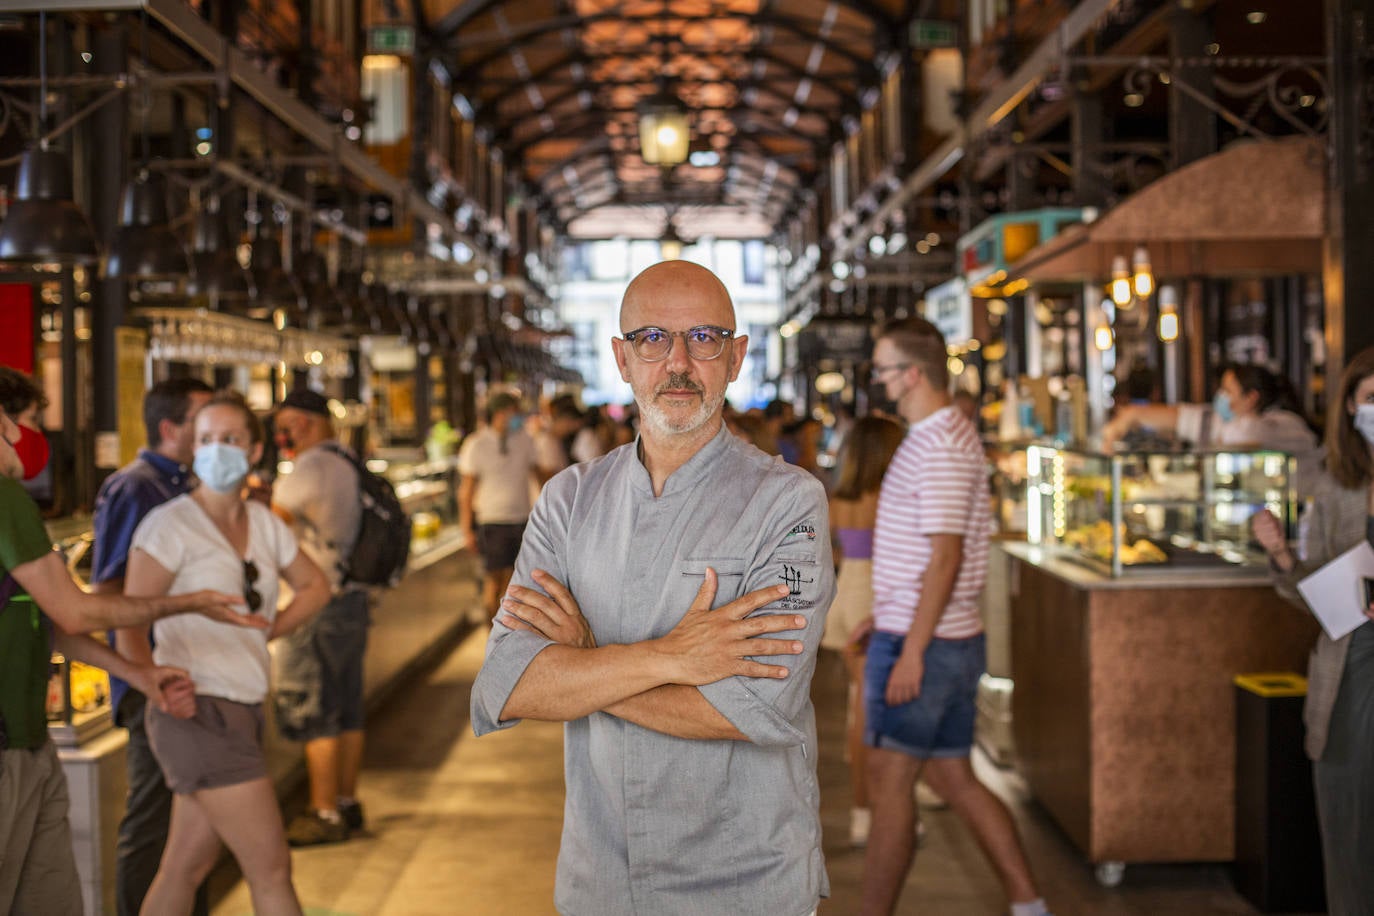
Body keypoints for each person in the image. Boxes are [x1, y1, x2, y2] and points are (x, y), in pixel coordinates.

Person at [470, 260, 835, 915]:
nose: (678, 362)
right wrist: (669, 658)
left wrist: (582, 666)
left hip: (747, 878)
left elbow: (746, 708)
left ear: (735, 358)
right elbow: (511, 684)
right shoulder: (569, 500)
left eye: (704, 338)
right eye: (652, 339)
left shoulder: (785, 503)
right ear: (622, 357)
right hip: (601, 877)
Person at [0, 382, 254, 916]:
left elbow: (53, 620)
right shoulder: (20, 498)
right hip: (12, 749)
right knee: (156, 830)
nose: (27, 437)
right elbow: (81, 608)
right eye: (21, 419)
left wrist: (137, 674)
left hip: (30, 742)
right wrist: (189, 605)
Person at [861, 317, 1048, 916]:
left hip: (929, 643)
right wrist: (887, 616)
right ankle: (1028, 901)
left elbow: (946, 556)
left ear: (913, 374)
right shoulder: (946, 436)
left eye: (884, 369)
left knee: (889, 787)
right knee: (952, 778)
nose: (880, 381)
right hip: (941, 634)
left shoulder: (939, 443)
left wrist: (911, 647)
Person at [125, 392, 330, 916]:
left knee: (183, 869)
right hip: (196, 709)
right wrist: (151, 681)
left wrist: (265, 631)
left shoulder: (263, 523)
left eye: (231, 439)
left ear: (254, 449)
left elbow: (314, 585)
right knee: (271, 868)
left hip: (242, 705)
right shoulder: (168, 526)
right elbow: (129, 618)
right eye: (207, 440)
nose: (218, 450)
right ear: (192, 449)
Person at [1252, 346, 1374, 914]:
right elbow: (1312, 593)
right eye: (1372, 399)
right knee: (1347, 828)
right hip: (1349, 673)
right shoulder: (1335, 487)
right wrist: (1280, 555)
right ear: (1350, 407)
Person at [91, 377, 215, 916]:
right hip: (156, 683)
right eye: (204, 423)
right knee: (152, 820)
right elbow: (109, 594)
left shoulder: (186, 484)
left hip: (192, 675)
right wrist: (141, 679)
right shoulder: (135, 487)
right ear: (171, 428)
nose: (214, 437)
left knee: (198, 820)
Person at [269, 388, 370, 846]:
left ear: (302, 424)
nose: (282, 438)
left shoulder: (308, 467)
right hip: (351, 600)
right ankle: (347, 803)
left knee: (318, 711)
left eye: (284, 429)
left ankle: (323, 812)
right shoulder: (346, 459)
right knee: (347, 709)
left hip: (316, 606)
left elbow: (271, 523)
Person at [820, 415, 905, 847]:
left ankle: (866, 809)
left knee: (861, 705)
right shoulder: (890, 499)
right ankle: (875, 810)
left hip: (847, 589)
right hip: (877, 594)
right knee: (874, 710)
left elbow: (832, 551)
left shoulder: (839, 499)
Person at [1102, 362, 1322, 498]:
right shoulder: (1240, 422)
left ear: (1252, 398)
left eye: (1228, 391)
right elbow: (1189, 419)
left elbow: (1238, 433)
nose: (1221, 397)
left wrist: (1135, 415)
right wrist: (1132, 415)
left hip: (1306, 517)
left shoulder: (1283, 424)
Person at [458, 391, 542, 623]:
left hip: (522, 519)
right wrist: (466, 530)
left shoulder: (525, 440)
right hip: (491, 521)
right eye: (514, 411)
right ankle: (492, 637)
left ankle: (508, 635)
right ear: (500, 413)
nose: (519, 416)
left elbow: (538, 476)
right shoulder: (476, 444)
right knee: (493, 581)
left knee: (516, 582)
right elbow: (466, 491)